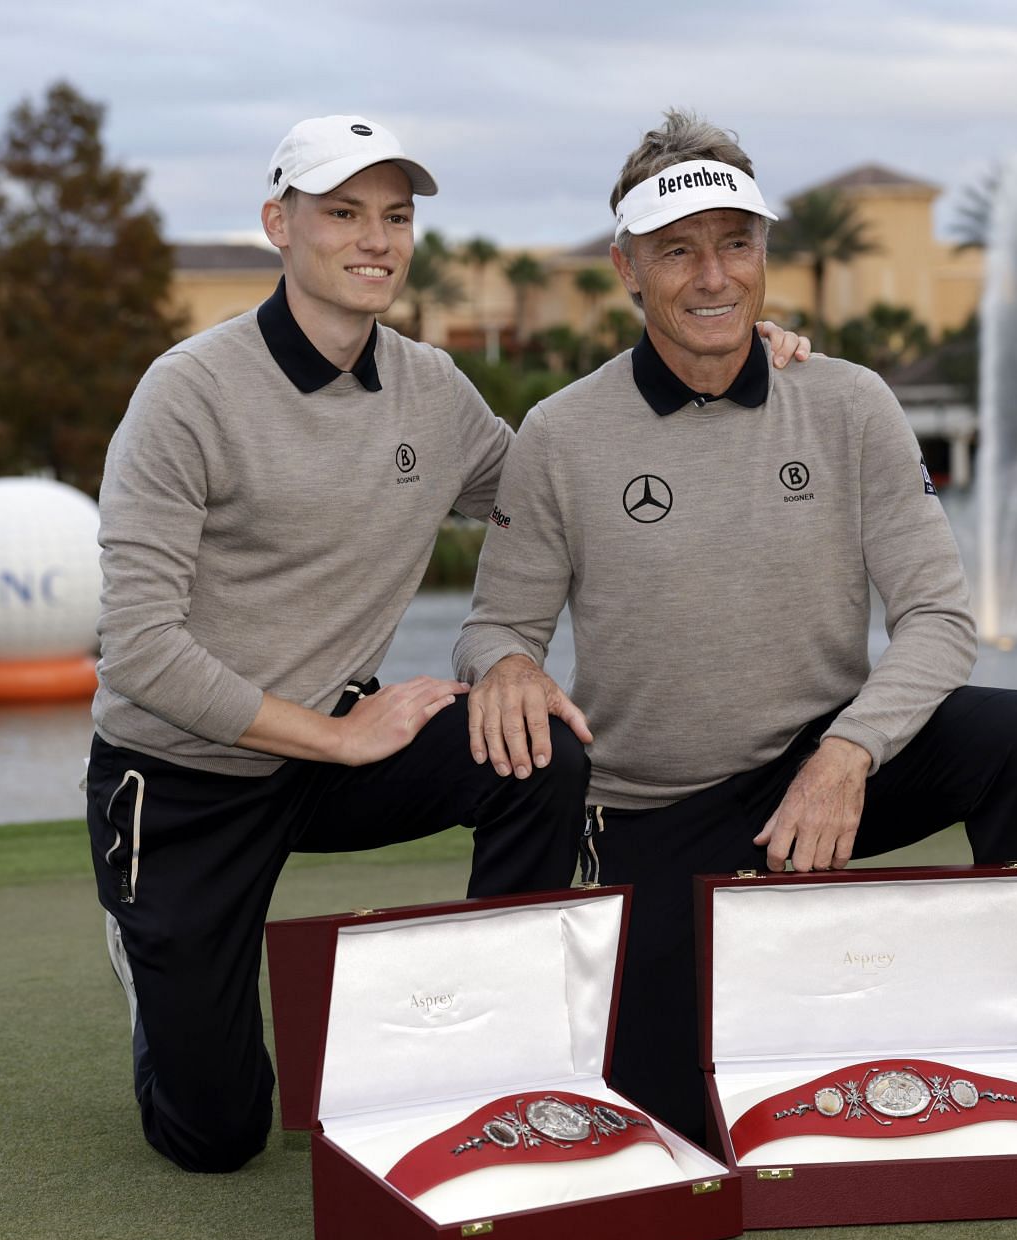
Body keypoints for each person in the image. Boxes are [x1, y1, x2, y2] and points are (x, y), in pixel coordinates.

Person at [85, 114, 809, 1175]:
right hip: (185, 775)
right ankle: (156, 977)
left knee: (535, 753)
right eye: (343, 214)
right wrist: (332, 738)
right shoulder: (188, 391)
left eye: (395, 215)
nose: (376, 239)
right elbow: (138, 650)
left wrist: (731, 359)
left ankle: (497, 1057)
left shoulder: (432, 387)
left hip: (342, 745)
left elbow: (567, 497)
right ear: (278, 225)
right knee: (215, 1134)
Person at [453, 110, 1017, 1173]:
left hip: (822, 783)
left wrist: (850, 751)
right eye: (678, 250)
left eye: (737, 242)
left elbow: (939, 616)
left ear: (766, 253)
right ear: (626, 266)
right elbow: (499, 623)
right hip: (657, 811)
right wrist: (503, 662)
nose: (713, 275)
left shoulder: (850, 402)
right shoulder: (562, 431)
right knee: (669, 1125)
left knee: (1016, 733)